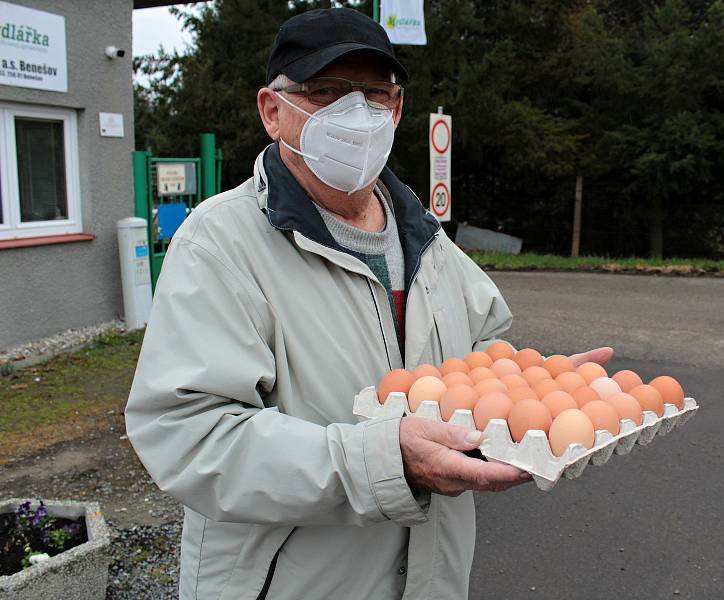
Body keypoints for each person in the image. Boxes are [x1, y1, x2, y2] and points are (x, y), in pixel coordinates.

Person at [125, 8, 612, 600]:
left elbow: (481, 355)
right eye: (326, 92)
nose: (355, 114)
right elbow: (190, 434)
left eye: (374, 94)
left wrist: (535, 388)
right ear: (272, 111)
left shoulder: (426, 237)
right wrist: (385, 461)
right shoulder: (220, 244)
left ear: (399, 109)